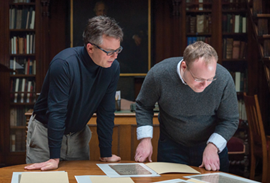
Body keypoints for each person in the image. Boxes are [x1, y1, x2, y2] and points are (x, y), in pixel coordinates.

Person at [24, 16, 124, 171]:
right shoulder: (64, 64)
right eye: (109, 52)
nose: (115, 56)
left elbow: (106, 111)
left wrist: (106, 153)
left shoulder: (112, 67)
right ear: (90, 48)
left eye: (118, 50)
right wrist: (54, 158)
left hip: (78, 134)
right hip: (46, 132)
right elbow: (57, 112)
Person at [134, 41, 239, 172]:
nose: (205, 85)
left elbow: (230, 120)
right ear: (184, 66)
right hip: (171, 147)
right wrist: (145, 139)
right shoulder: (159, 74)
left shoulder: (224, 79)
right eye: (199, 79)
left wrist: (213, 146)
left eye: (210, 79)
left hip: (211, 146)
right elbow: (144, 106)